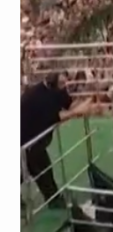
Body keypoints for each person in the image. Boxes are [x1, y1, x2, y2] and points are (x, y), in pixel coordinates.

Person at [20, 72, 104, 208]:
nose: (65, 86)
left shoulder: (57, 90)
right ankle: (53, 200)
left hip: (35, 140)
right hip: (26, 138)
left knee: (38, 169)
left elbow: (70, 105)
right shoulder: (38, 97)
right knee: (36, 168)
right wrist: (80, 111)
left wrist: (89, 103)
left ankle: (54, 199)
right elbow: (61, 116)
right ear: (52, 84)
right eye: (62, 84)